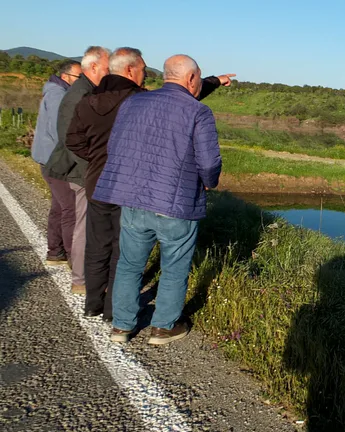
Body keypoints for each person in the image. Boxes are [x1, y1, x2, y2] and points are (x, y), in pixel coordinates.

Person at [66, 47, 234, 321]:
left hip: (129, 197)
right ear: (191, 78)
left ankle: (120, 323)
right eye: (200, 79)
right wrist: (208, 182)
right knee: (174, 267)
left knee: (128, 263)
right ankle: (163, 326)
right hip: (175, 202)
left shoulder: (133, 103)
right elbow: (208, 163)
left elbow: (116, 146)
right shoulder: (198, 111)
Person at [44, 46, 110, 296]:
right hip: (78, 171)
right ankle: (81, 279)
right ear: (93, 67)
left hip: (80, 169)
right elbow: (70, 140)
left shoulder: (87, 91)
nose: (109, 72)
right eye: (106, 68)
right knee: (83, 223)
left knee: (80, 221)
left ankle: (83, 274)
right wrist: (91, 172)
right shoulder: (79, 95)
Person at [31, 60, 81, 267]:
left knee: (59, 207)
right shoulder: (59, 96)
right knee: (71, 209)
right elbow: (61, 132)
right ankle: (73, 258)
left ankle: (56, 251)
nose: (81, 82)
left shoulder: (54, 92)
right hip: (55, 161)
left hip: (49, 159)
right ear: (65, 77)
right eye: (79, 78)